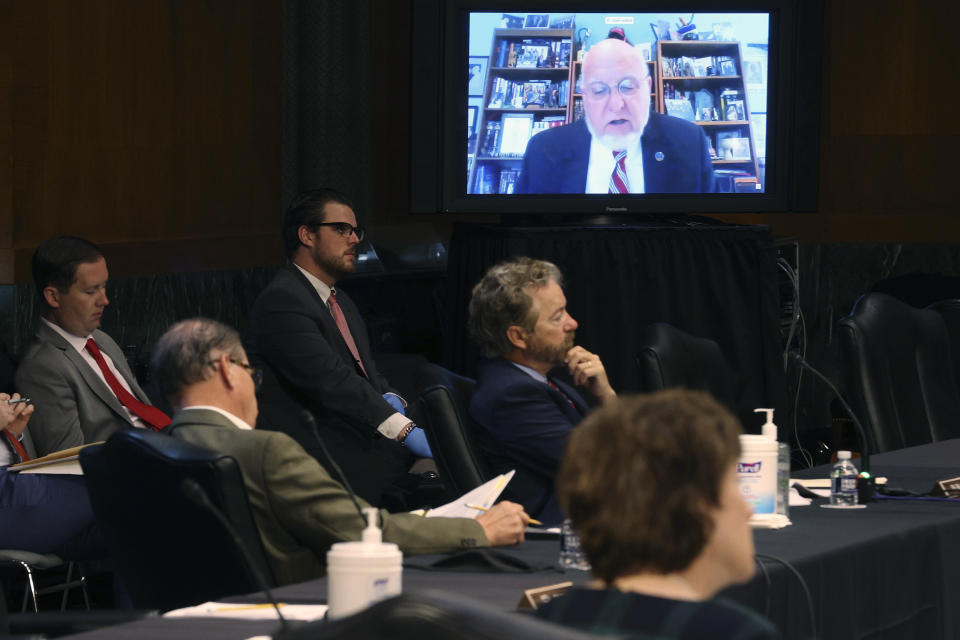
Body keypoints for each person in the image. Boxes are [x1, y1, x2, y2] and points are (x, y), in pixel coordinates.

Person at [152, 318, 529, 586]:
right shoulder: (265, 450)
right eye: (253, 374)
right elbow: (364, 532)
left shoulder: (142, 451)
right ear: (225, 368)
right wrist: (476, 529)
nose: (255, 388)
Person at [535, 390, 779, 639]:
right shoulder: (737, 633)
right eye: (736, 483)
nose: (748, 510)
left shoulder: (546, 620)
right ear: (696, 506)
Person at [245, 188, 432, 506]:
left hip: (359, 438)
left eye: (356, 230)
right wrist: (404, 429)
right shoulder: (283, 301)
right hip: (320, 457)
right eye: (341, 229)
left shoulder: (339, 299)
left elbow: (369, 376)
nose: (355, 239)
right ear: (307, 235)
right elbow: (332, 382)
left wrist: (396, 402)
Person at [468, 258, 616, 525]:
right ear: (519, 337)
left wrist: (605, 395)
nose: (573, 323)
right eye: (557, 317)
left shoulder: (536, 381)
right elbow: (603, 466)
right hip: (571, 536)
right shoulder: (511, 396)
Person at [16, 236, 170, 456]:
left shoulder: (101, 339)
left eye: (104, 287)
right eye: (90, 292)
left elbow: (139, 412)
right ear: (53, 297)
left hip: (164, 448)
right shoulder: (41, 367)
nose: (104, 300)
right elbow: (68, 460)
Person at [515, 37, 716, 194]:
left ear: (647, 88)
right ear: (584, 97)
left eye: (628, 87)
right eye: (599, 90)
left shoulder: (690, 143)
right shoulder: (543, 151)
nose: (616, 105)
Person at [0, 392, 105, 560]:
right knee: (121, 487)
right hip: (10, 494)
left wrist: (9, 433)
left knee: (136, 524)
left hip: (19, 482)